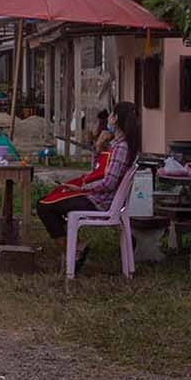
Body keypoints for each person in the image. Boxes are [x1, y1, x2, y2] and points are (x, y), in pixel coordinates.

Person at [37, 101, 141, 263]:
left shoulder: (121, 148)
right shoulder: (119, 145)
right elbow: (97, 171)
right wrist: (98, 146)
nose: (108, 119)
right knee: (53, 199)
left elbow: (108, 183)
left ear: (116, 119)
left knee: (44, 206)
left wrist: (83, 189)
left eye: (111, 115)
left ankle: (75, 251)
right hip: (99, 198)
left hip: (99, 202)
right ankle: (74, 247)